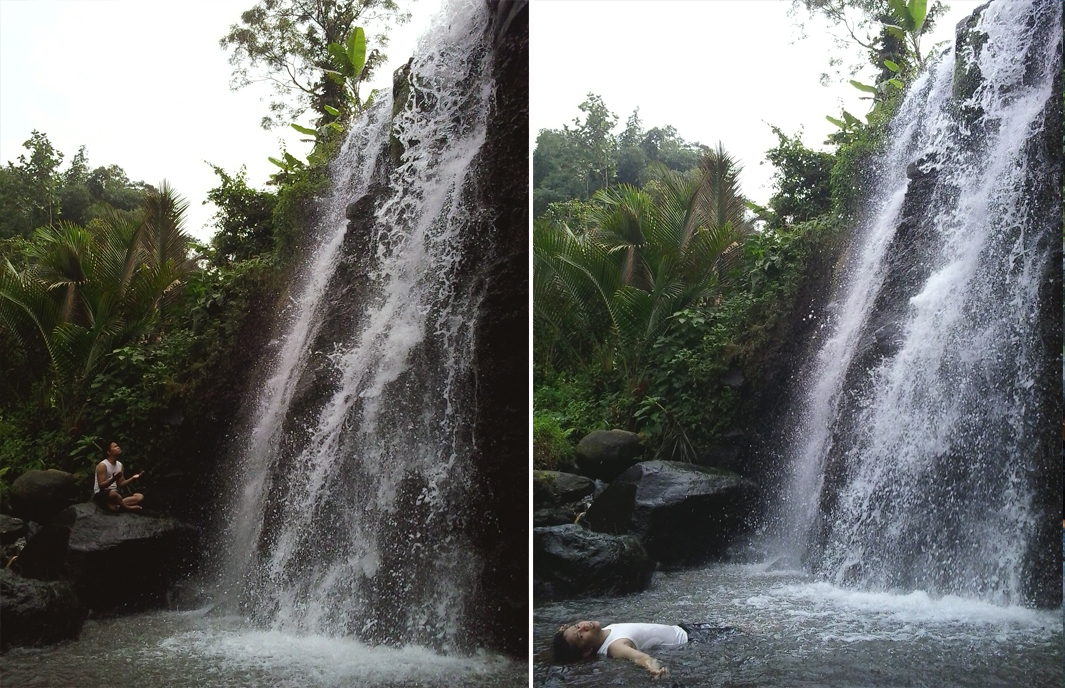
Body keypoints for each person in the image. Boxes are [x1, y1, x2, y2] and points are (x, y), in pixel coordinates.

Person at [553, 620, 735, 678]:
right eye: (580, 635)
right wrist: (653, 668)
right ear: (586, 651)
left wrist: (563, 632)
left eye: (577, 626)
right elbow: (639, 657)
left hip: (685, 627)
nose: (583, 627)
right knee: (746, 632)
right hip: (693, 639)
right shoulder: (614, 647)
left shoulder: (606, 632)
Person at [93, 440, 144, 512]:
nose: (118, 447)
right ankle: (127, 507)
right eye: (115, 446)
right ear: (108, 452)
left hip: (115, 494)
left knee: (139, 497)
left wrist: (132, 478)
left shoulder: (120, 465)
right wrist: (113, 479)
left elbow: (120, 484)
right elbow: (101, 485)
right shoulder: (103, 465)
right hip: (102, 494)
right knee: (113, 494)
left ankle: (115, 504)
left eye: (118, 446)